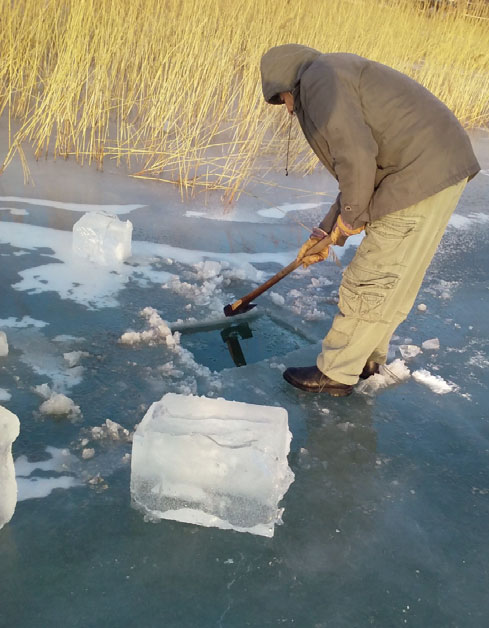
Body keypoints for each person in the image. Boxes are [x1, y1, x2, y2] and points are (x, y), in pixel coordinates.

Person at [260, 44, 480, 397]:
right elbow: (358, 172)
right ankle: (367, 358)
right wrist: (326, 231)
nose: (287, 110)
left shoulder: (318, 80)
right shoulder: (334, 72)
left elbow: (357, 158)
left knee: (372, 278)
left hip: (415, 174)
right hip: (439, 169)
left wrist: (347, 221)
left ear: (287, 83)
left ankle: (336, 372)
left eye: (281, 99)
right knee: (396, 274)